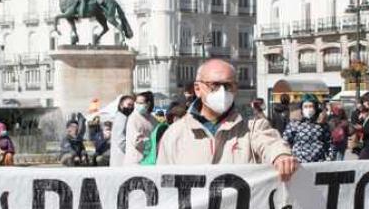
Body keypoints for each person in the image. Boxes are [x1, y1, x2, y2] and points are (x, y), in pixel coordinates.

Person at [157, 58, 298, 181]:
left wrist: (281, 155)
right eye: (215, 85)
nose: (222, 92)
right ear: (198, 89)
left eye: (228, 85)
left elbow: (270, 143)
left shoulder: (253, 126)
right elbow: (163, 184)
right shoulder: (175, 134)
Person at [283, 94, 337, 163]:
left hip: (318, 164)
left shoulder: (322, 125)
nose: (308, 109)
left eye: (311, 106)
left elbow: (330, 144)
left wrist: (329, 159)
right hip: (299, 164)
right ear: (301, 109)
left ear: (315, 108)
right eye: (305, 106)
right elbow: (285, 143)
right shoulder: (294, 125)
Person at [124, 91, 156, 165]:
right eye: (137, 102)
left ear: (148, 104)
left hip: (149, 160)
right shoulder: (133, 118)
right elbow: (137, 140)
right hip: (136, 160)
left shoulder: (153, 119)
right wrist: (151, 142)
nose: (138, 105)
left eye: (141, 103)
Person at [109, 95, 134, 167]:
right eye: (129, 104)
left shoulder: (121, 117)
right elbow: (121, 140)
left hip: (119, 158)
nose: (131, 107)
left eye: (132, 105)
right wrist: (131, 151)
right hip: (121, 159)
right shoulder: (121, 118)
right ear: (121, 105)